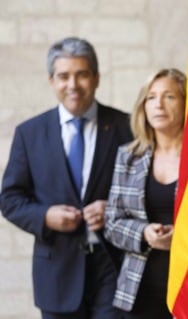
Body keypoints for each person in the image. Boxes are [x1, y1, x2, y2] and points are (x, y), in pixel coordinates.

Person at [0, 37, 132, 318]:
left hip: (114, 267)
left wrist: (113, 209)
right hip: (56, 272)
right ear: (51, 81)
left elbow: (146, 191)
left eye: (82, 74)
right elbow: (10, 199)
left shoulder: (127, 127)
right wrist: (45, 216)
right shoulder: (30, 133)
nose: (73, 85)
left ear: (96, 78)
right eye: (64, 76)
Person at [104, 68, 186, 318]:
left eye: (169, 96)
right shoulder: (129, 157)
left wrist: (182, 236)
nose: (158, 104)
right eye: (151, 97)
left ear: (186, 102)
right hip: (139, 292)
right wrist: (144, 233)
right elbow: (111, 222)